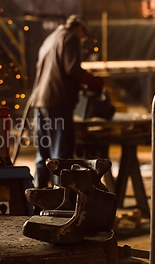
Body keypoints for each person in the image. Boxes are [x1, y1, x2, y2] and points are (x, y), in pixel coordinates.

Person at [30, 14, 104, 188]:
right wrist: (94, 82)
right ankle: (61, 200)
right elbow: (72, 69)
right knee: (60, 159)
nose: (82, 39)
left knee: (44, 155)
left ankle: (38, 198)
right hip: (57, 104)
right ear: (79, 28)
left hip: (40, 102)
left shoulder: (51, 37)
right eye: (83, 36)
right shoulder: (70, 38)